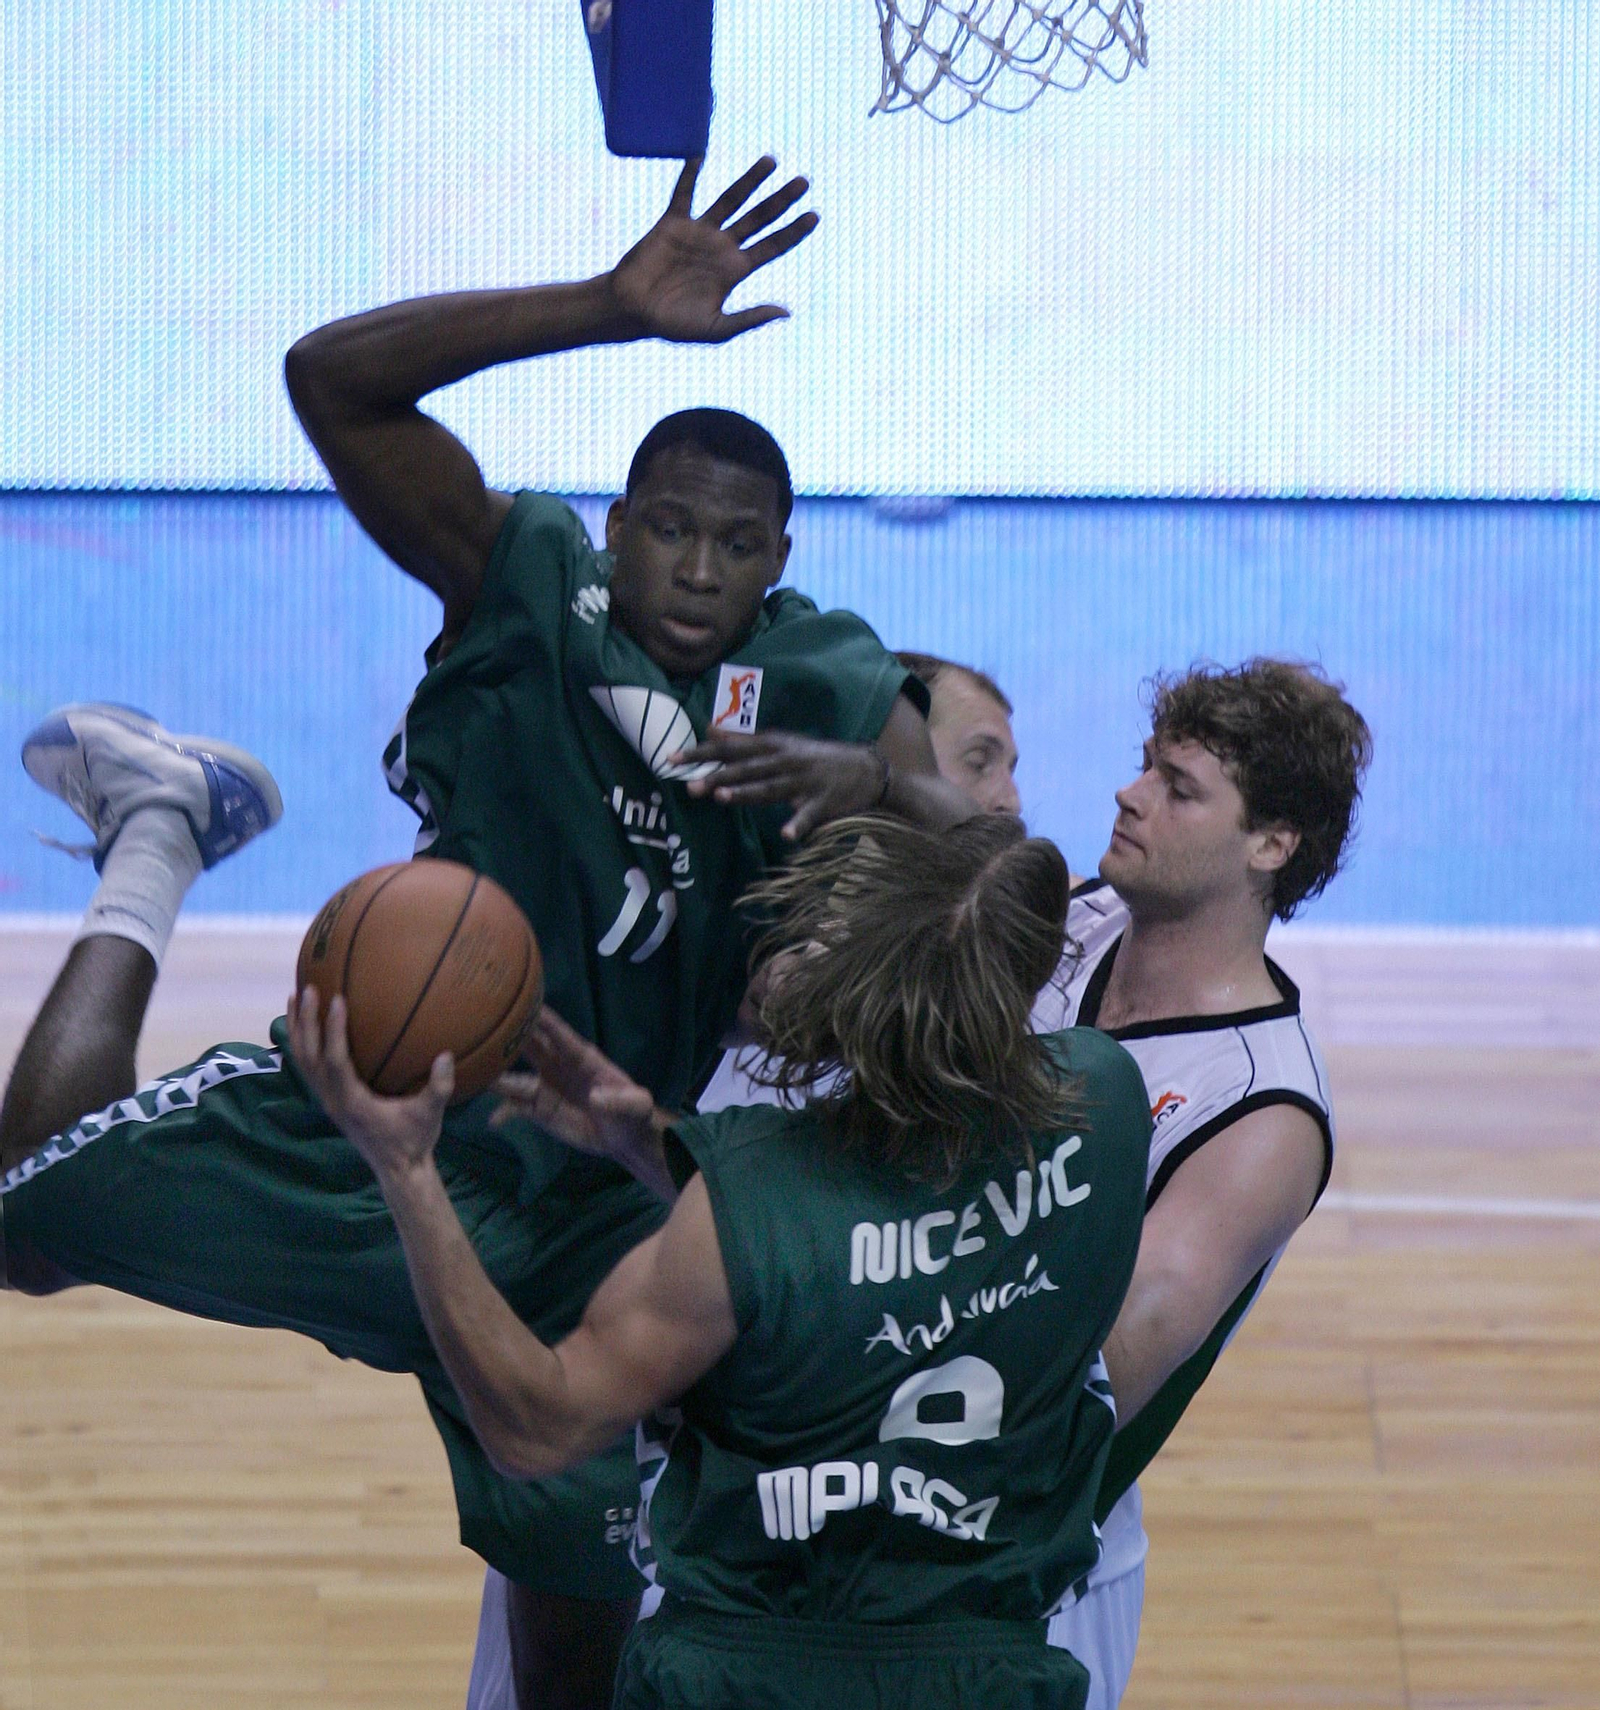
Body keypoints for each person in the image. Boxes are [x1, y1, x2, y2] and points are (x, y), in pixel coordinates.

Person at [0, 155, 974, 1709]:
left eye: (735, 545)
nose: (698, 570)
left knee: (575, 1605)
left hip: (606, 1187)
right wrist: (604, 306)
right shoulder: (527, 580)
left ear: (781, 559)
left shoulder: (829, 680)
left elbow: (987, 854)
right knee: (18, 1213)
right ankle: (157, 831)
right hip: (384, 1100)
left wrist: (869, 777)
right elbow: (330, 380)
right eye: (668, 529)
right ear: (620, 521)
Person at [289, 811, 1155, 1710]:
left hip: (749, 1677)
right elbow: (874, 1226)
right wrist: (652, 1144)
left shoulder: (747, 1196)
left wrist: (405, 1168)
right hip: (994, 1676)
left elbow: (536, 1427)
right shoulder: (1102, 1103)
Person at [694, 655, 1371, 1707]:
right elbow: (818, 1017)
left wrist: (813, 1352)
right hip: (855, 1493)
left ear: (1271, 846)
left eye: (1176, 787)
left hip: (1027, 1569)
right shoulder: (1071, 918)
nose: (1128, 792)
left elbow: (1088, 1372)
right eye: (1143, 766)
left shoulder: (1258, 1116)